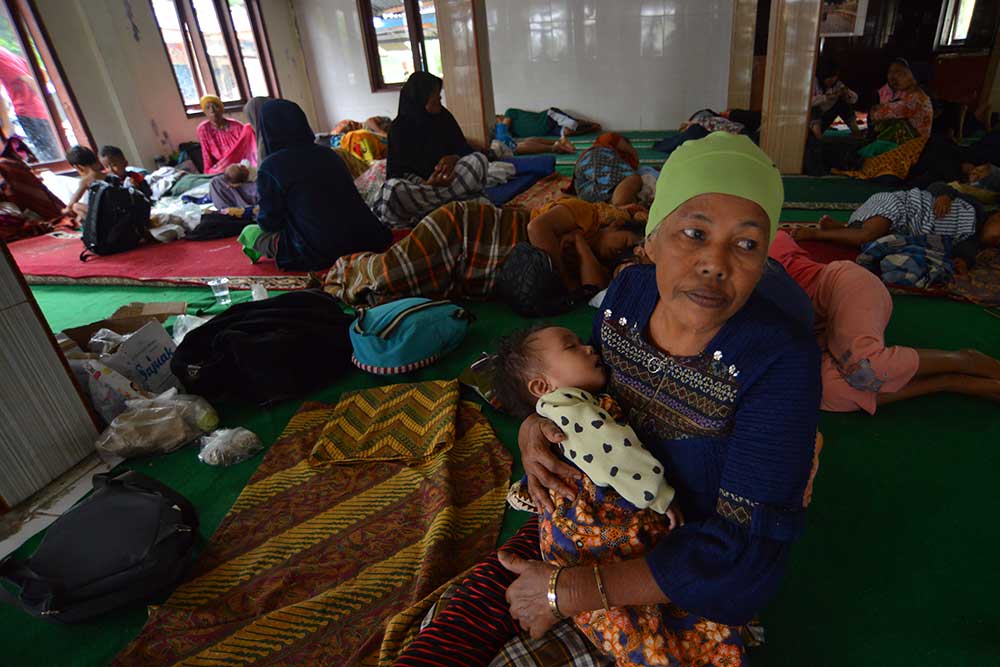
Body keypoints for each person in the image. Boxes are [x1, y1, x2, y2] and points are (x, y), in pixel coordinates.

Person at [391, 132, 822, 667]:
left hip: (684, 557)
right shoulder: (629, 294)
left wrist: (564, 592)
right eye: (694, 232)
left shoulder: (780, 360)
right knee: (451, 636)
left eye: (747, 243)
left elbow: (746, 557)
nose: (716, 263)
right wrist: (534, 429)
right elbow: (580, 388)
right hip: (598, 515)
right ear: (653, 238)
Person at [494, 323, 685, 667]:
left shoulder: (562, 407)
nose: (588, 348)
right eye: (571, 347)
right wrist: (660, 495)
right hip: (591, 531)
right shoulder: (571, 409)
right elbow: (616, 456)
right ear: (542, 386)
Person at [769, 230, 1000, 411]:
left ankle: (965, 360)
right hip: (815, 331)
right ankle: (948, 382)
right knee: (827, 391)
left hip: (842, 287)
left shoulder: (760, 243)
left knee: (865, 368)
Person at [324, 196, 645, 306]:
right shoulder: (585, 213)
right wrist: (562, 274)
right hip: (469, 229)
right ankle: (345, 268)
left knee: (406, 293)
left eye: (626, 255)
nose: (621, 252)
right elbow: (536, 229)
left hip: (478, 266)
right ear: (614, 224)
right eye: (627, 243)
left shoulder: (594, 255)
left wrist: (579, 246)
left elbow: (590, 290)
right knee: (388, 274)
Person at [236, 99, 391, 271]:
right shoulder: (329, 154)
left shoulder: (271, 167)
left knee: (250, 233)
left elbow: (269, 223)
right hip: (365, 238)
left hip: (319, 250)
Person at [375, 72, 489, 228]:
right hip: (420, 188)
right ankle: (451, 203)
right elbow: (396, 172)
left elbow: (464, 148)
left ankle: (430, 210)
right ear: (420, 99)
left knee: (479, 160)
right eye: (434, 96)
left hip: (449, 181)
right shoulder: (399, 128)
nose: (439, 100)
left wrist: (453, 158)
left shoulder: (443, 117)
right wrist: (427, 183)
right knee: (393, 190)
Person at [791, 185, 983, 250]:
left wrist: (964, 261)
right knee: (867, 236)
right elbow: (941, 186)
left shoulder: (973, 238)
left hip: (901, 229)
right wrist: (945, 195)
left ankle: (842, 227)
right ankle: (815, 235)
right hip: (900, 206)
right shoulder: (974, 206)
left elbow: (965, 250)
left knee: (877, 241)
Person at [0, 47, 59, 162]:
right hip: (35, 110)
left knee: (51, 157)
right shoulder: (4, 52)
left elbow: (27, 79)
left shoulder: (1, 57)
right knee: (51, 153)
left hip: (30, 112)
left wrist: (50, 105)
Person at [869, 58, 932, 143]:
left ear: (915, 79)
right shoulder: (917, 96)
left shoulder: (915, 100)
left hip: (912, 150)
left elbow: (876, 114)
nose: (896, 77)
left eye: (903, 74)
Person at [573, 132, 642, 205]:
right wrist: (632, 151)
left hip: (585, 192)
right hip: (598, 156)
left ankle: (616, 209)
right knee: (633, 179)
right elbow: (611, 137)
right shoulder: (604, 145)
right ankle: (619, 210)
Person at [196, 95, 257, 174]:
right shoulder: (203, 129)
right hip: (222, 165)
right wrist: (207, 172)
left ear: (222, 109)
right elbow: (206, 154)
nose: (212, 110)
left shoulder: (237, 126)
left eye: (215, 106)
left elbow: (248, 147)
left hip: (239, 163)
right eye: (208, 108)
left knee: (248, 128)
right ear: (205, 112)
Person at [810, 62, 860, 138]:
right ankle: (817, 138)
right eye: (829, 79)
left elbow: (854, 99)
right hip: (814, 122)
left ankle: (856, 133)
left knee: (843, 104)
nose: (832, 81)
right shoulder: (814, 82)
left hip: (828, 116)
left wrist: (846, 93)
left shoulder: (838, 84)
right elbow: (808, 102)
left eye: (834, 78)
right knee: (814, 109)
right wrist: (826, 97)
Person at [62, 145, 106, 219]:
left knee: (76, 206)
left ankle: (93, 227)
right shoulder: (107, 174)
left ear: (78, 167)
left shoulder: (86, 180)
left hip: (101, 214)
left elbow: (74, 200)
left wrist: (65, 209)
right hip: (114, 209)